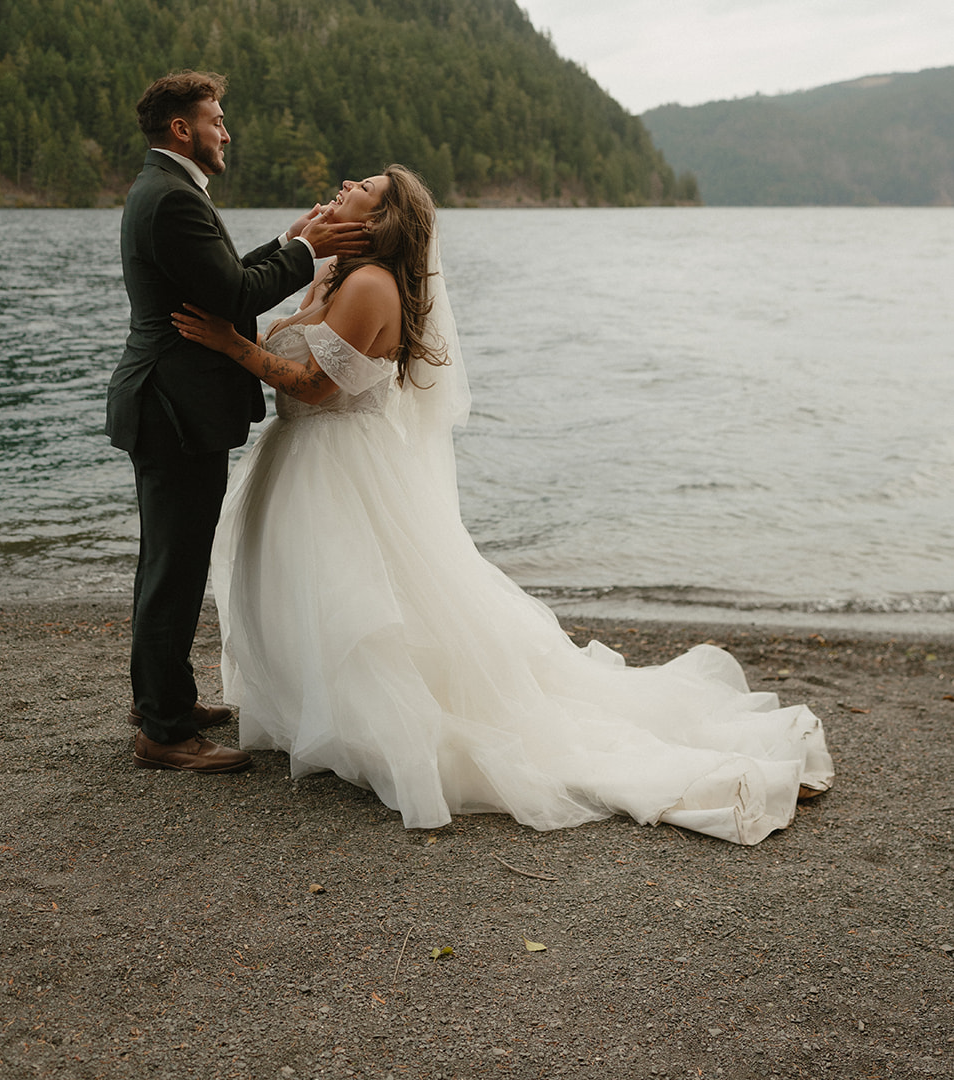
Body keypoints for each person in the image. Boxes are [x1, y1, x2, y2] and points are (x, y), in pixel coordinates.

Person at [172, 164, 834, 839]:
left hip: (335, 462)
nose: (343, 188)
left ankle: (382, 729)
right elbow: (297, 351)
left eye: (360, 190)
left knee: (357, 606)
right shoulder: (336, 275)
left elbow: (312, 384)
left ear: (379, 221)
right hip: (304, 457)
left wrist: (230, 344)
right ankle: (324, 715)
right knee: (317, 597)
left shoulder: (369, 285)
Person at [106, 70, 368, 773]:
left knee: (168, 560)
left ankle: (163, 699)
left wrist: (286, 240)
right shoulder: (170, 197)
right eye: (216, 119)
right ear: (182, 129)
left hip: (168, 403)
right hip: (173, 406)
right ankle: (163, 730)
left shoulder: (166, 189)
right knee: (174, 564)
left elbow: (216, 277)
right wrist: (308, 253)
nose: (226, 131)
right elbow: (229, 294)